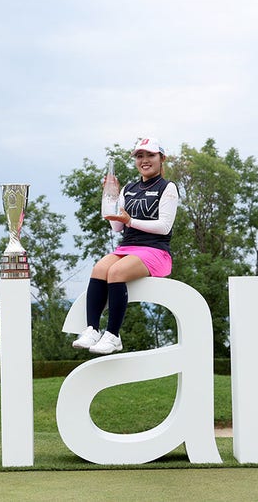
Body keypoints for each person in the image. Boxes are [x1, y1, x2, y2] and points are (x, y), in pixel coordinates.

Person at [73, 137, 179, 354]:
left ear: (161, 158)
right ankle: (92, 329)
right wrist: (110, 195)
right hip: (128, 248)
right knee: (100, 268)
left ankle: (113, 335)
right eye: (140, 156)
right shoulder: (128, 188)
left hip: (156, 251)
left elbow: (164, 227)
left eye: (150, 155)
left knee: (116, 271)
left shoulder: (167, 188)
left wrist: (130, 221)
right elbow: (116, 227)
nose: (145, 160)